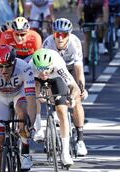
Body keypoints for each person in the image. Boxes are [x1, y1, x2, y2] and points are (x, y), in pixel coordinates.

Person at [40, 18, 89, 156]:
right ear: (53, 34)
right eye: (57, 34)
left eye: (64, 35)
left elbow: (79, 69)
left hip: (70, 68)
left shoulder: (75, 42)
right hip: (53, 69)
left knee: (77, 98)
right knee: (51, 88)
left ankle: (80, 139)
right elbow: (44, 70)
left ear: (69, 35)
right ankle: (55, 112)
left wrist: (81, 88)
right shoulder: (48, 43)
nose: (60, 38)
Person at [30, 48, 81, 166]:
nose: (43, 73)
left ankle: (65, 153)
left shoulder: (58, 65)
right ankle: (38, 129)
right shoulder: (31, 67)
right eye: (40, 70)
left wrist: (72, 98)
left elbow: (74, 87)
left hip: (56, 78)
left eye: (46, 69)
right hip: (36, 81)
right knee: (33, 94)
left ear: (51, 65)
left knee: (62, 111)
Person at [78, 0, 109, 74]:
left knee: (100, 23)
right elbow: (79, 7)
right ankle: (86, 63)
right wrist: (80, 20)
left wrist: (105, 22)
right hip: (87, 12)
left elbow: (106, 8)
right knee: (87, 37)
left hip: (99, 12)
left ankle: (101, 42)